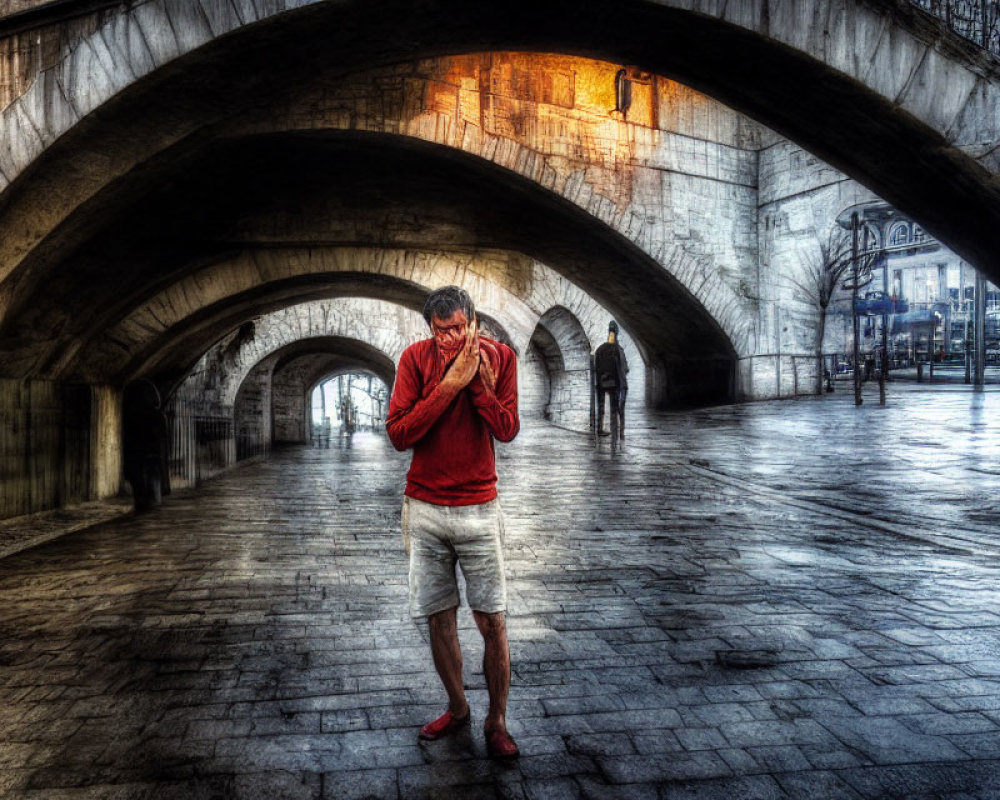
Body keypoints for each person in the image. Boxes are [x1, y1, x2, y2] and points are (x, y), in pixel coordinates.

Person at [385, 286, 521, 760]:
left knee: (493, 619)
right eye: (443, 331)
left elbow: (506, 429)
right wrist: (446, 388)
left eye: (460, 328)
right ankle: (459, 706)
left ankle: (497, 721)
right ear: (430, 329)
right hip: (423, 509)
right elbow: (399, 433)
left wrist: (477, 385)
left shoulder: (500, 358)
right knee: (439, 617)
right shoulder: (414, 360)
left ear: (473, 323)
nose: (452, 338)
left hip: (480, 507)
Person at [594, 320, 629, 439]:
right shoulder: (618, 350)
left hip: (601, 382)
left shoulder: (600, 349)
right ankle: (620, 433)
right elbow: (624, 368)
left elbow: (596, 367)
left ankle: (599, 429)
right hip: (615, 383)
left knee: (601, 406)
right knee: (616, 409)